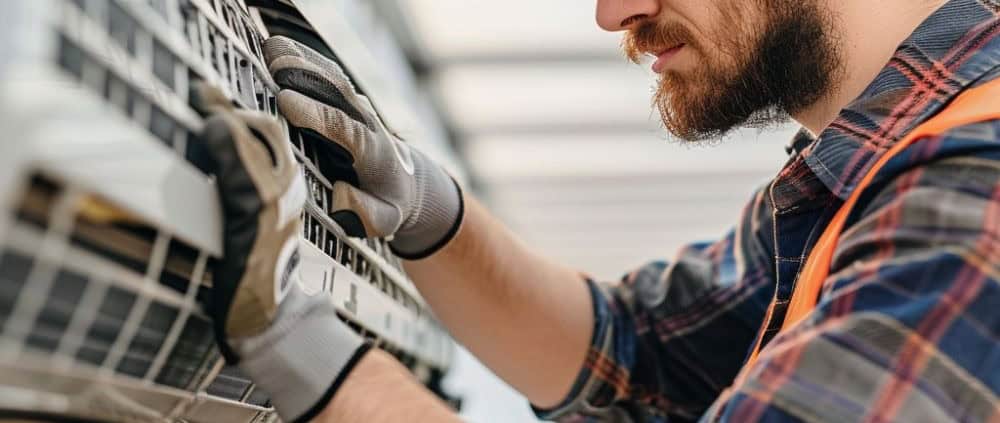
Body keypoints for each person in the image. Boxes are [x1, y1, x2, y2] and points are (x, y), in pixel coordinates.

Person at [199, 0, 1000, 421]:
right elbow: (636, 358)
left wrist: (315, 362)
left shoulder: (974, 201)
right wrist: (425, 209)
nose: (612, 12)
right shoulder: (862, 182)